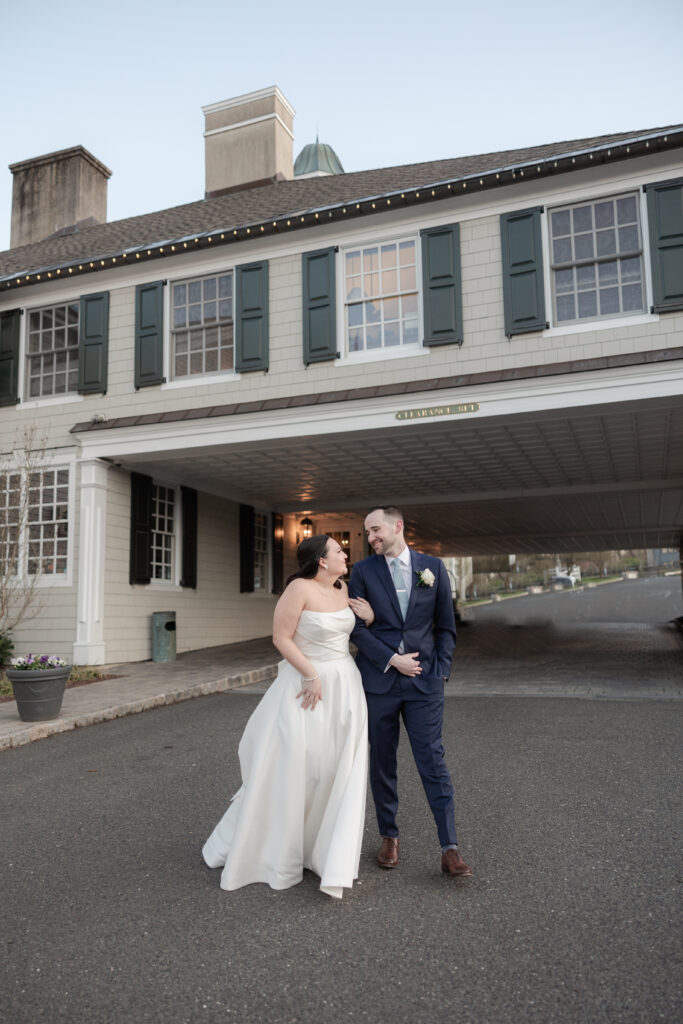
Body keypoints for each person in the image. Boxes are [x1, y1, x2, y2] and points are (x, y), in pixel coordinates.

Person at [202, 535, 373, 899]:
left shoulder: (343, 587)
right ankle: (276, 849)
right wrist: (311, 675)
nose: (346, 555)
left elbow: (351, 629)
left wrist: (369, 618)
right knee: (297, 764)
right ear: (322, 561)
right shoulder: (298, 588)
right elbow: (282, 638)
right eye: (340, 551)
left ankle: (325, 851)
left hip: (345, 686)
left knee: (334, 767)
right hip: (306, 686)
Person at [349, 507, 473, 878]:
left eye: (376, 530)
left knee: (432, 761)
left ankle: (449, 847)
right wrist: (392, 659)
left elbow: (446, 626)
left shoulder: (432, 567)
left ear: (397, 527)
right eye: (367, 533)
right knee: (382, 762)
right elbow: (355, 629)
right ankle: (388, 835)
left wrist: (443, 670)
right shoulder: (362, 571)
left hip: (425, 682)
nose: (370, 538)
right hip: (379, 682)